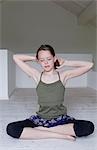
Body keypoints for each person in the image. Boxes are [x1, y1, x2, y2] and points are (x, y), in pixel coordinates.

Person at [6, 44, 94, 141]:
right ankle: (57, 135)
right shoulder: (37, 75)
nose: (46, 63)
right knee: (11, 129)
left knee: (89, 127)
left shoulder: (63, 76)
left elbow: (89, 65)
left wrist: (66, 63)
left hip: (61, 120)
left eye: (48, 59)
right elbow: (16, 57)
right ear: (39, 61)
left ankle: (41, 130)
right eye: (42, 60)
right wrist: (34, 58)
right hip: (40, 120)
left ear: (54, 58)